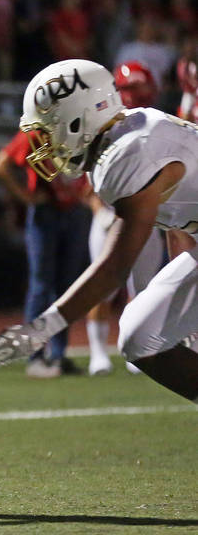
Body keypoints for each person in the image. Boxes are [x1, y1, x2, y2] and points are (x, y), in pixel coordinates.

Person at [0, 58, 198, 406]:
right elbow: (175, 224)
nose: (44, 142)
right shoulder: (130, 132)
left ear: (78, 117)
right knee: (141, 335)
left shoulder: (128, 153)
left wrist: (40, 330)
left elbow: (114, 267)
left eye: (49, 128)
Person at [83, 61, 167, 375]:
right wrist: (100, 212)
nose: (136, 95)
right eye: (130, 89)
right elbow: (86, 181)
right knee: (102, 286)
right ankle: (97, 353)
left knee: (144, 291)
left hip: (147, 218)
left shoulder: (160, 123)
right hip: (111, 216)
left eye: (139, 88)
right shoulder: (103, 125)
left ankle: (137, 350)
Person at [0, 127, 90, 377]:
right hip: (48, 212)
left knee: (65, 288)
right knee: (42, 286)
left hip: (72, 210)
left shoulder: (80, 128)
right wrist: (25, 197)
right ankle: (35, 356)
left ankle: (58, 354)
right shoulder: (39, 133)